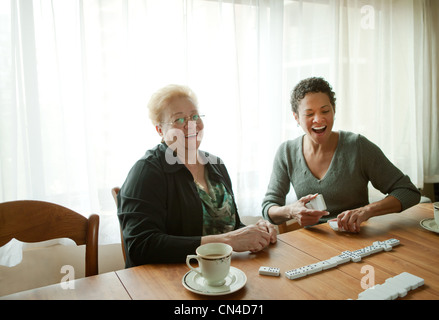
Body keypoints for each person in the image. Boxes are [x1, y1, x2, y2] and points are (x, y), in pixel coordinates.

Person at [117, 84, 276, 267]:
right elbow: (140, 246)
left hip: (219, 273)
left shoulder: (216, 164)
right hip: (167, 281)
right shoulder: (146, 171)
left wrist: (254, 232)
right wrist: (228, 241)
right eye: (179, 120)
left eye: (194, 116)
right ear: (160, 130)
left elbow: (229, 227)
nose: (191, 124)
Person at [262, 77, 421, 233]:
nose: (318, 119)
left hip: (359, 241)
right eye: (309, 114)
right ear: (296, 117)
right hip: (311, 246)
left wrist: (366, 211)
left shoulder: (358, 146)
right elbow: (269, 207)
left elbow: (408, 192)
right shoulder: (287, 152)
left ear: (334, 110)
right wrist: (291, 211)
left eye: (325, 111)